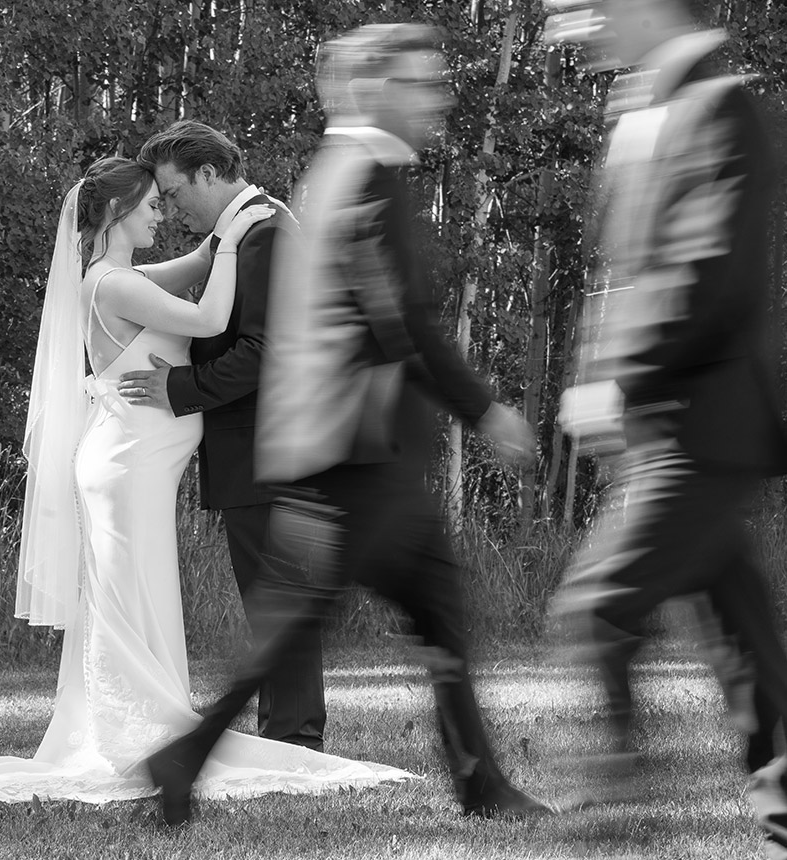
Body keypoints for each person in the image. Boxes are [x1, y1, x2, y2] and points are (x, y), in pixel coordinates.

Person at [0, 156, 414, 802]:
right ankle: (131, 732)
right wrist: (231, 236)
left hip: (135, 467)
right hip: (124, 468)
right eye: (149, 204)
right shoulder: (113, 285)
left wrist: (246, 216)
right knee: (128, 601)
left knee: (140, 600)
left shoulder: (127, 277)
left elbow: (197, 265)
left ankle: (141, 723)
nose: (159, 213)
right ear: (115, 213)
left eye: (165, 199)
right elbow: (206, 319)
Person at [144, 24, 549, 826]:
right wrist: (484, 409)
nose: (433, 100)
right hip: (357, 451)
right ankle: (477, 783)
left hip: (335, 446)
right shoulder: (364, 177)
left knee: (387, 609)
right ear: (374, 88)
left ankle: (474, 780)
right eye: (419, 84)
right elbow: (399, 322)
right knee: (394, 608)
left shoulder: (338, 172)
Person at [546, 0, 787, 847]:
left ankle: (612, 817)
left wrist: (625, 382)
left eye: (588, 8)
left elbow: (712, 273)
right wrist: (598, 378)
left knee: (598, 608)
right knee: (745, 642)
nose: (571, 28)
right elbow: (624, 275)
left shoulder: (720, 105)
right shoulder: (648, 105)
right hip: (667, 424)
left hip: (699, 423)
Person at [121, 120, 327, 751]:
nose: (172, 207)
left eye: (175, 191)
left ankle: (294, 739)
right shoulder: (244, 232)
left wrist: (180, 388)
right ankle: (288, 732)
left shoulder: (263, 235)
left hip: (269, 445)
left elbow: (269, 350)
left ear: (208, 174)